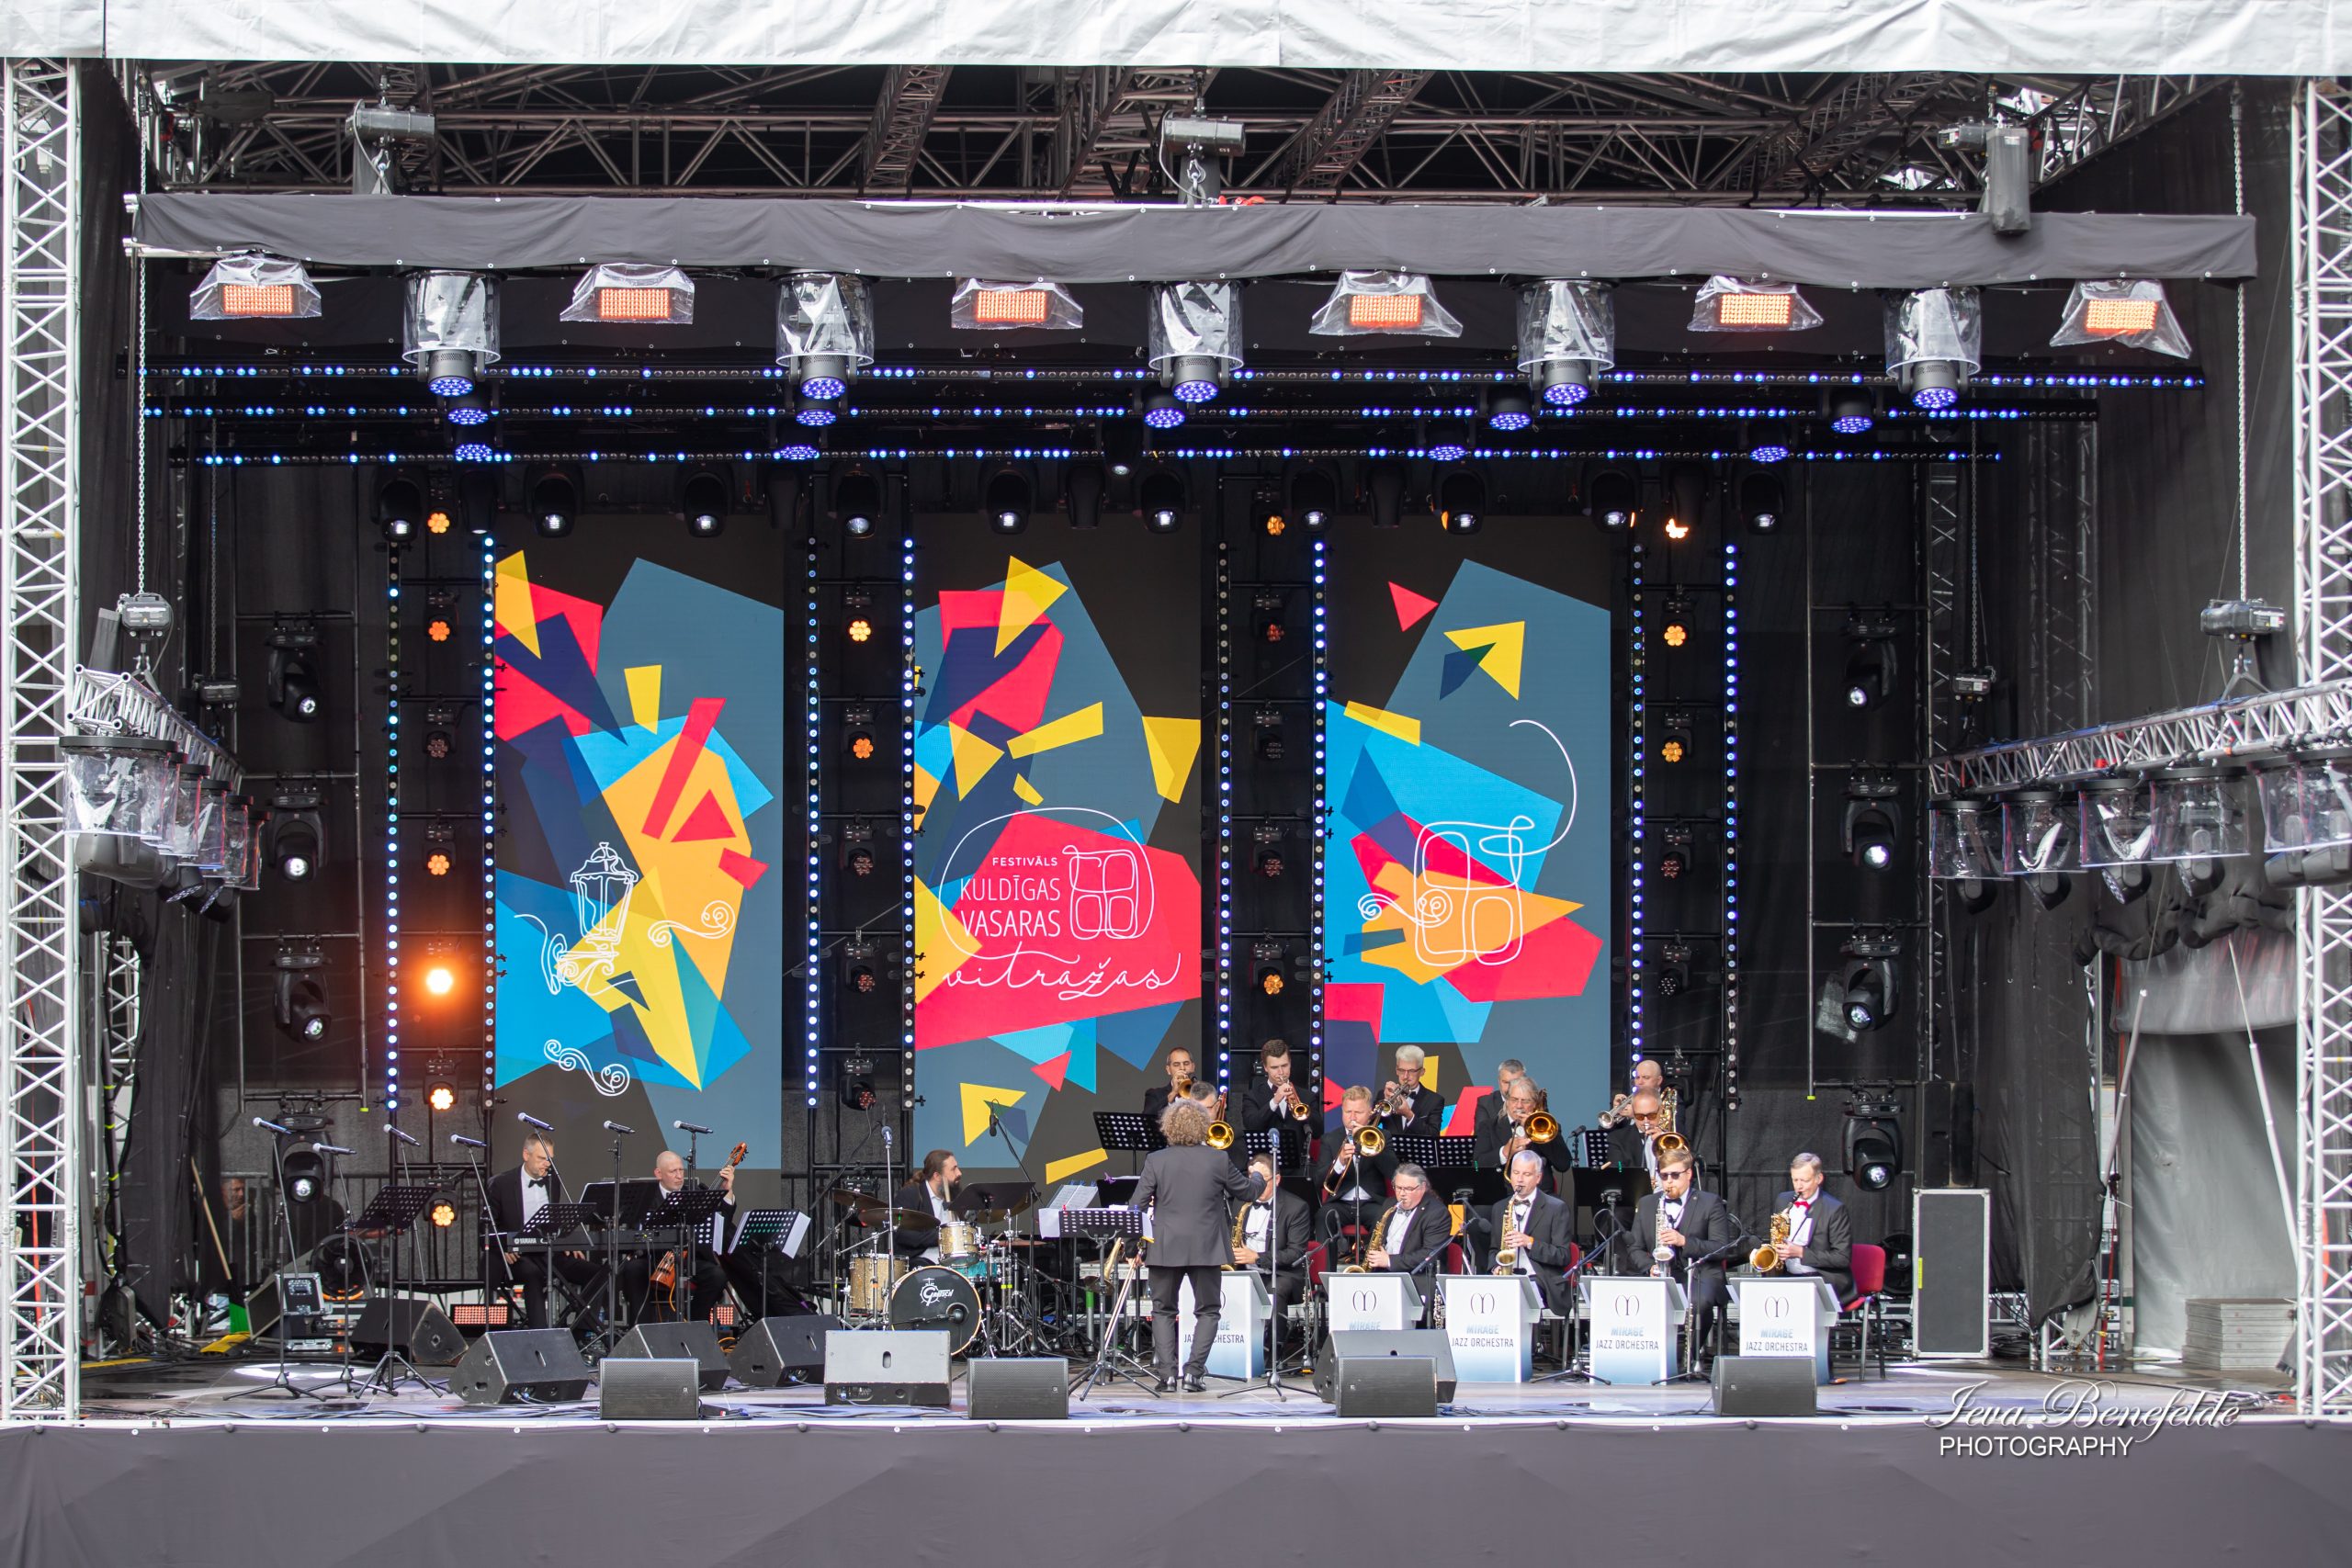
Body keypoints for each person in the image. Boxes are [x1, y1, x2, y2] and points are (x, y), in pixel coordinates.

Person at [1131, 1097, 1253, 1393]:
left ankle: (1167, 1376)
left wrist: (1131, 1245)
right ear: (1203, 1126)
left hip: (1165, 1245)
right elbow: (1248, 1191)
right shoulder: (1217, 1159)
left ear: (1169, 1127)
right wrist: (1261, 1177)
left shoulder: (1156, 1160)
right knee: (1208, 1310)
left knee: (1162, 1310)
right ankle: (1194, 1374)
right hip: (1206, 1246)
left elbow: (1136, 1206)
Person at [1624, 1145, 1734, 1359]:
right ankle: (1648, 1355)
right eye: (1664, 1176)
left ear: (1689, 1174)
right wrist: (1650, 1267)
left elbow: (1721, 1247)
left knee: (1700, 1303)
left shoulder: (1710, 1202)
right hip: (1662, 1272)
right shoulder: (1647, 1203)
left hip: (1700, 1273)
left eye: (1675, 1175)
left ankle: (1688, 1355)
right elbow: (1635, 1247)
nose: (1669, 1182)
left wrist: (1684, 1241)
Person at [484, 1132, 597, 1330]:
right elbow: (485, 1227)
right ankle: (540, 1334)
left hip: (547, 1253)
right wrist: (503, 1246)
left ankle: (581, 1332)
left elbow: (553, 1222)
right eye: (541, 1158)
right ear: (526, 1155)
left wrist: (566, 1241)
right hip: (516, 1255)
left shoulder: (553, 1182)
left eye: (550, 1159)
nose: (547, 1164)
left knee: (597, 1273)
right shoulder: (501, 1183)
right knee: (533, 1274)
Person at [620, 1149, 733, 1323]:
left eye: (681, 1170)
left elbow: (721, 1222)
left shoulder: (696, 1192)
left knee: (717, 1276)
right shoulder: (645, 1198)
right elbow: (634, 1232)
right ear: (659, 1174)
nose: (679, 1176)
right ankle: (642, 1328)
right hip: (655, 1258)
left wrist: (727, 1191)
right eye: (673, 1171)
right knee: (633, 1269)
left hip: (689, 1258)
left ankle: (695, 1322)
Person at [1489, 1148, 1579, 1313]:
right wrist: (1496, 1267)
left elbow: (1563, 1256)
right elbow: (1494, 1249)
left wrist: (1530, 1242)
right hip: (1507, 1278)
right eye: (1516, 1173)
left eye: (1526, 1174)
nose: (1519, 1179)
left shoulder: (1557, 1208)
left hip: (1541, 1280)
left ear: (1538, 1178)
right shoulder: (1499, 1207)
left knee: (1516, 1295)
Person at [1230, 1151, 1312, 1324]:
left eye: (1262, 1181)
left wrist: (1257, 1258)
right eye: (1253, 1180)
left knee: (1274, 1291)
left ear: (1277, 1179)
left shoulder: (1297, 1207)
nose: (1257, 1186)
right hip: (1244, 1270)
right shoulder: (1240, 1202)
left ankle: (1274, 1340)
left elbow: (1295, 1252)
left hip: (1280, 1273)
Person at [1317, 1085, 1397, 1246]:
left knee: (1384, 1219)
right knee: (1323, 1216)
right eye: (1348, 1112)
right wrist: (1339, 1161)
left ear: (1370, 1113)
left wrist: (1371, 1147)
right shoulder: (1330, 1139)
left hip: (1372, 1203)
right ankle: (1326, 1262)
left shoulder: (1382, 1136)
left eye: (1358, 1112)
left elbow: (1393, 1172)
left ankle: (1375, 1262)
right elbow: (1318, 1180)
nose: (1352, 1117)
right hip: (1340, 1203)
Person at [1771, 1152, 1855, 1302]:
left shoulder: (1835, 1209)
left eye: (1804, 1180)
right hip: (1788, 1276)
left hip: (1821, 1278)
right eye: (1795, 1180)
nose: (1799, 1186)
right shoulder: (1782, 1200)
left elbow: (1842, 1258)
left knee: (1798, 1301)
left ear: (1819, 1178)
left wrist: (1801, 1252)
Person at [1357, 1163, 1450, 1280]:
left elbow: (1430, 1254)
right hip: (1382, 1272)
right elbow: (1373, 1237)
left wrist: (1389, 1261)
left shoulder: (1437, 1213)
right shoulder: (1389, 1204)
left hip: (1416, 1277)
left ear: (1422, 1187)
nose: (1402, 1194)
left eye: (1408, 1189)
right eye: (1398, 1188)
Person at [1490, 1077, 1573, 1187]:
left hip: (1540, 1193)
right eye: (1514, 1099)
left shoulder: (1547, 1126)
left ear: (1535, 1104)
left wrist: (1536, 1133)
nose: (1519, 1106)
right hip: (1502, 1193)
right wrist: (1504, 1152)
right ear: (1507, 1101)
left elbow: (1563, 1165)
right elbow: (1477, 1165)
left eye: (1525, 1101)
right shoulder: (1489, 1126)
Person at [892, 1150, 958, 1263]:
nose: (959, 1173)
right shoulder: (911, 1194)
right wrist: (942, 1236)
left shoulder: (955, 1196)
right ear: (937, 1176)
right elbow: (901, 1234)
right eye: (953, 1169)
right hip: (921, 1264)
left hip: (953, 1263)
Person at [1375, 1045, 1444, 1134]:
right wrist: (1385, 1101)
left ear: (1422, 1072)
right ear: (1396, 1070)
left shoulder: (1435, 1100)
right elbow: (1368, 1124)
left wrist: (1409, 1115)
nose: (1405, 1076)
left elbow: (1434, 1134)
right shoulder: (1383, 1094)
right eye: (1401, 1070)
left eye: (1411, 1071)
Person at [1469, 1058, 1527, 1163]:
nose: (1510, 1088)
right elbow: (1481, 1148)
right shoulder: (1486, 1103)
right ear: (1499, 1081)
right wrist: (1506, 1151)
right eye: (1506, 1082)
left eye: (1515, 1083)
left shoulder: (1536, 1101)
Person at [1142, 1046, 1197, 1121]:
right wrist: (1173, 1093)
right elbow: (1146, 1119)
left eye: (1186, 1063)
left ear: (1193, 1067)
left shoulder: (1202, 1093)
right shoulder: (1154, 1094)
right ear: (1168, 1070)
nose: (1182, 1068)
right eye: (1176, 1064)